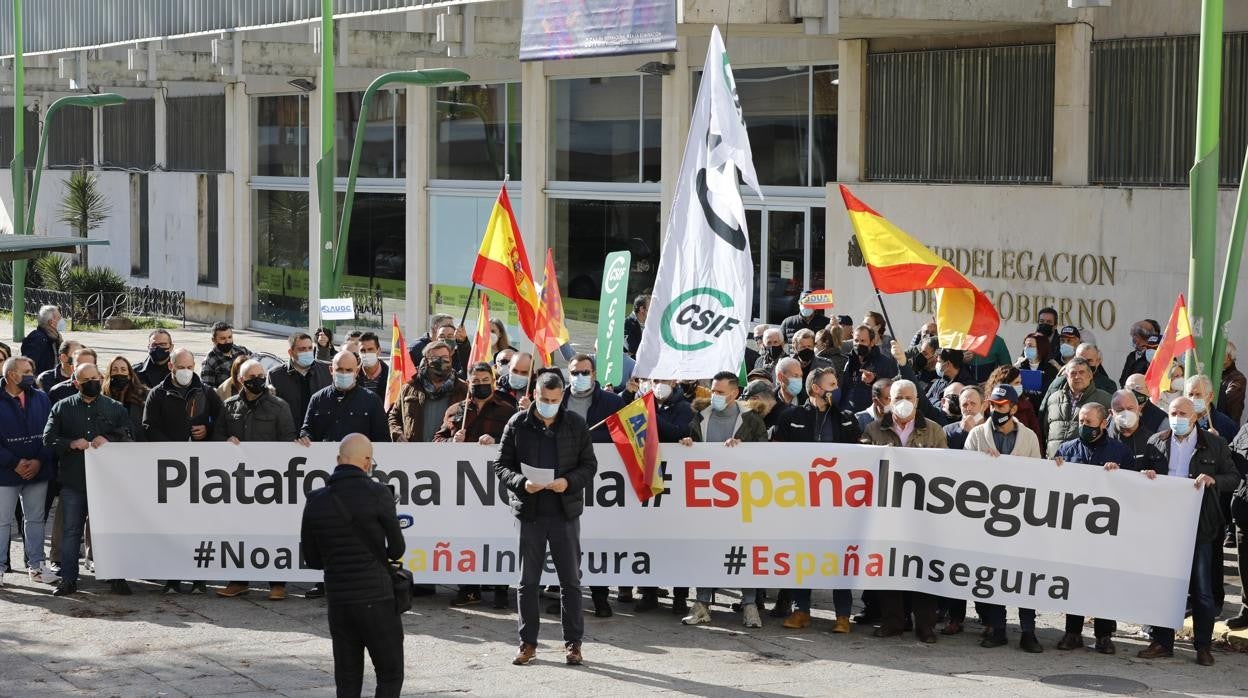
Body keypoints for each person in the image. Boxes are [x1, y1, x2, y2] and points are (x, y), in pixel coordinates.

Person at [494, 370, 598, 666]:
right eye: (542, 399)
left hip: (565, 513)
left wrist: (569, 482)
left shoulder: (576, 424)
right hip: (530, 513)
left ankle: (574, 645)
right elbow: (500, 465)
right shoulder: (518, 423)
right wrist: (520, 482)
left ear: (562, 396)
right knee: (527, 582)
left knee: (571, 582)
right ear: (535, 395)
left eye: (553, 400)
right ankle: (527, 644)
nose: (548, 404)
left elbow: (589, 465)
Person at [1136, 397, 1239, 667]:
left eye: (1183, 413)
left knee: (1202, 591)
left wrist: (1212, 479)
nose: (1177, 417)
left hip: (1200, 527)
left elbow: (1234, 478)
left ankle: (1203, 646)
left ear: (1195, 418)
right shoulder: (1156, 441)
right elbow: (1143, 476)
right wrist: (1145, 475)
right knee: (1165, 586)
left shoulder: (1214, 444)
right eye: (1173, 412)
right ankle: (1162, 641)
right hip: (1165, 526)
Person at [300, 433, 406, 696]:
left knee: (347, 681)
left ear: (338, 460)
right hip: (377, 598)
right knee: (390, 674)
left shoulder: (316, 499)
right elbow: (397, 548)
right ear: (368, 462)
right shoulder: (379, 494)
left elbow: (312, 558)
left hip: (339, 600)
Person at [771, 367, 860, 633]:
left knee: (840, 557)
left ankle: (843, 615)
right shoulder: (790, 417)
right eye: (832, 384)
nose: (837, 388)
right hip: (801, 500)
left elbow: (861, 454)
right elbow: (774, 454)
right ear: (816, 389)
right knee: (803, 555)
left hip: (839, 502)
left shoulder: (846, 418)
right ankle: (801, 610)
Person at [679, 372, 768, 628]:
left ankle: (750, 605)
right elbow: (693, 446)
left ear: (734, 393)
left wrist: (745, 447)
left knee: (744, 550)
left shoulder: (751, 420)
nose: (714, 396)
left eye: (719, 392)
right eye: (712, 391)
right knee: (707, 549)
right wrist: (688, 444)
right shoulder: (701, 416)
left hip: (743, 498)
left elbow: (767, 450)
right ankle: (702, 604)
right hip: (708, 498)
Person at [864, 379, 946, 642]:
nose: (903, 402)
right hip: (886, 513)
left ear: (917, 401)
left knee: (922, 568)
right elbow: (862, 467)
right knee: (889, 568)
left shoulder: (933, 431)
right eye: (897, 397)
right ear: (888, 401)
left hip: (923, 513)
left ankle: (925, 626)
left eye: (908, 397)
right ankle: (892, 623)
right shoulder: (873, 429)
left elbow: (945, 470)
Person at [963, 385, 1044, 651]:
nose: (997, 409)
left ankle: (1028, 631)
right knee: (993, 572)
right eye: (993, 405)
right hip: (988, 515)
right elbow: (963, 474)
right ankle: (996, 628)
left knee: (1024, 573)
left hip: (1021, 516)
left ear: (1013, 407)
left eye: (1002, 405)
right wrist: (982, 463)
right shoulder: (977, 435)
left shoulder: (1029, 437)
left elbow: (1040, 479)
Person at [43, 363, 134, 596]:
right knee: (72, 531)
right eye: (87, 380)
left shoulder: (115, 408)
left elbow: (129, 434)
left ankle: (116, 576)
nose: (93, 382)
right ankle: (69, 579)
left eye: (96, 377)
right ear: (76, 383)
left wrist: (109, 437)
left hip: (108, 483)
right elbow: (48, 438)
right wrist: (71, 443)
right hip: (75, 481)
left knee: (110, 530)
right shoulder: (62, 408)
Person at [435, 362, 517, 609]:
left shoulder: (507, 411)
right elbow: (436, 440)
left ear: (493, 381)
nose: (480, 384)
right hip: (463, 488)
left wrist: (497, 441)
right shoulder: (455, 410)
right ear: (468, 383)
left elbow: (517, 443)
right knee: (466, 536)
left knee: (498, 534)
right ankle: (469, 590)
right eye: (476, 380)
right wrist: (451, 441)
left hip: (496, 489)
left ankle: (501, 590)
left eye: (485, 379)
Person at [1052, 402, 1132, 655]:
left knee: (1103, 581)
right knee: (1074, 579)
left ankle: (1104, 635)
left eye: (1089, 422)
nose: (1084, 426)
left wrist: (1120, 475)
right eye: (1081, 422)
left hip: (1107, 529)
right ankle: (1073, 631)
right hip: (1076, 527)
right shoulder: (1066, 449)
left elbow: (1134, 488)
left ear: (1103, 423)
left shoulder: (1120, 452)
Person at [215, 359, 298, 601]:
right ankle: (238, 581)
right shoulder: (229, 406)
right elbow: (217, 435)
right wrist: (225, 442)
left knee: (273, 531)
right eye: (252, 376)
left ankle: (277, 583)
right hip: (238, 484)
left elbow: (288, 441)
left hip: (270, 484)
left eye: (262, 375)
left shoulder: (279, 407)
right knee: (239, 531)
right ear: (241, 379)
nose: (258, 379)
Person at [558, 354, 625, 617]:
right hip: (564, 479)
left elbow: (621, 438)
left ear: (594, 374)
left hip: (602, 483)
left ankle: (600, 596)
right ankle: (566, 598)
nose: (579, 377)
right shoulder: (557, 399)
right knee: (566, 540)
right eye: (574, 372)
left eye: (584, 372)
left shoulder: (612, 402)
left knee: (597, 538)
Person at [0, 356, 60, 587]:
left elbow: (51, 431)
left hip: (38, 471)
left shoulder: (42, 398)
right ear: (10, 375)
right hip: (5, 473)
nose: (31, 375)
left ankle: (36, 566)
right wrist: (13, 462)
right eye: (26, 371)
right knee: (3, 521)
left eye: (31, 370)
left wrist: (38, 460)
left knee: (35, 519)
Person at [301, 351, 390, 446]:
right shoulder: (317, 399)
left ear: (356, 371)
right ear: (331, 370)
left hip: (358, 458)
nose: (344, 373)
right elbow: (307, 430)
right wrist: (305, 438)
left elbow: (382, 439)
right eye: (339, 369)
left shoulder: (372, 400)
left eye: (349, 370)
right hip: (324, 458)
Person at [389, 341, 468, 443]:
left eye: (445, 357)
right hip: (415, 451)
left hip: (449, 451)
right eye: (435, 358)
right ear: (426, 361)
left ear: (451, 359)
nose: (441, 361)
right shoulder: (409, 387)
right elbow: (394, 417)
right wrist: (397, 433)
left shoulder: (463, 389)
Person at [1042, 357, 1112, 457]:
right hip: (1054, 462)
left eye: (1081, 372)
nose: (1077, 376)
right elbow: (1046, 429)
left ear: (1090, 375)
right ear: (1066, 375)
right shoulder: (1054, 398)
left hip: (1083, 463)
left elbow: (1110, 433)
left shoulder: (1105, 400)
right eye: (1073, 373)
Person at [269, 332, 332, 428]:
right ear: (291, 352)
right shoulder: (275, 375)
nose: (307, 352)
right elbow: (272, 409)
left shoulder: (327, 371)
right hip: (290, 434)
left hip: (319, 433)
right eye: (302, 349)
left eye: (310, 348)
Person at [839, 325, 898, 413]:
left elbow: (893, 389)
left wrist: (874, 380)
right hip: (847, 414)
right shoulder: (846, 361)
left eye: (863, 341)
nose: (859, 344)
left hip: (871, 415)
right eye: (856, 340)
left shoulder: (886, 363)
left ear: (872, 342)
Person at [1227, 424, 1248, 630]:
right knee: (1245, 564)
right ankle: (1246, 608)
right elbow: (1231, 456)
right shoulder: (1246, 429)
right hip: (1244, 509)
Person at [984, 365, 1042, 437]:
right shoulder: (988, 406)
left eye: (1020, 382)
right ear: (1005, 384)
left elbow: (1036, 435)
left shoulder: (1026, 406)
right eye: (1016, 383)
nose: (1020, 386)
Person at [1107, 389, 1154, 471]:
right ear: (1111, 413)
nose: (1125, 413)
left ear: (1139, 409)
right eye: (1120, 410)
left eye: (1130, 408)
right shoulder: (1103, 439)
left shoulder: (1153, 441)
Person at [103, 356, 148, 441]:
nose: (119, 373)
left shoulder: (143, 395)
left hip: (140, 445)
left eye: (123, 370)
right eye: (115, 370)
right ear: (109, 374)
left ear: (130, 375)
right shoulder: (102, 397)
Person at [200, 322, 250, 389]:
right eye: (223, 338)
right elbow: (208, 390)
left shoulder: (242, 351)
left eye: (230, 337)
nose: (227, 341)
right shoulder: (209, 361)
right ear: (213, 340)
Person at [21, 304, 63, 375]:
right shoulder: (37, 339)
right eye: (59, 318)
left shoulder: (55, 337)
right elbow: (28, 365)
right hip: (41, 382)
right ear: (51, 322)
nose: (62, 321)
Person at [942, 385, 984, 450]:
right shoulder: (948, 431)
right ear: (960, 407)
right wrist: (964, 432)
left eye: (973, 403)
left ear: (983, 405)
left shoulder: (992, 429)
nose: (969, 408)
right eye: (964, 405)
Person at [1119, 322, 1157, 387]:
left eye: (1133, 335)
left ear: (1138, 337)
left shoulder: (1154, 357)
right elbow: (1122, 380)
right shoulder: (1131, 356)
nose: (1131, 338)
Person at [356, 331, 390, 396]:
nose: (366, 353)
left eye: (370, 349)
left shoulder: (390, 376)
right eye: (362, 350)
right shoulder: (353, 375)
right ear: (358, 353)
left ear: (379, 351)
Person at [1220, 341, 1245, 424]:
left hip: (1228, 427)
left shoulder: (1238, 378)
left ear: (1228, 357)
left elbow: (1223, 401)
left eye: (1219, 353)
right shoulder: (1217, 374)